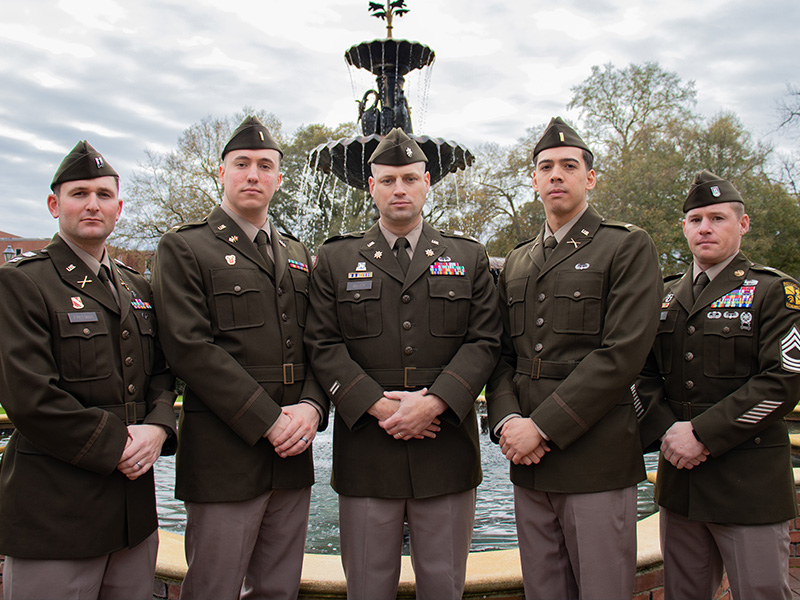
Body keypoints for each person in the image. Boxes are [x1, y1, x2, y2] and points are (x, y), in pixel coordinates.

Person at [304, 128, 502, 600]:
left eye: (409, 178)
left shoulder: (468, 256)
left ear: (427, 183)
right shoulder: (335, 258)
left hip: (446, 451)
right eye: (388, 179)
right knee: (367, 590)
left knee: (445, 587)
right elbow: (322, 343)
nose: (399, 189)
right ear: (371, 187)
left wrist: (435, 402)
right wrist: (375, 405)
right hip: (368, 453)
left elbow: (486, 340)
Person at [151, 115, 328, 600]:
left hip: (293, 452)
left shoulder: (295, 251)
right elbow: (190, 350)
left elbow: (320, 343)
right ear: (222, 172)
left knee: (278, 589)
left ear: (278, 177)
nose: (253, 174)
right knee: (214, 587)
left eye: (265, 165)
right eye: (242, 164)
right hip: (225, 455)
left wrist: (312, 408)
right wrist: (269, 421)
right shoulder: (184, 247)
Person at [486, 117, 662, 600]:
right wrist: (506, 422)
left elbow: (622, 355)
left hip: (594, 458)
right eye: (546, 167)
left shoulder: (625, 245)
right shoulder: (518, 260)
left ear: (590, 178)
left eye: (569, 165)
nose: (556, 175)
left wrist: (539, 428)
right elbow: (500, 355)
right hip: (527, 461)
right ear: (535, 180)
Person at [0, 141, 177, 599]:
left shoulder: (136, 285)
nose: (92, 204)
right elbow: (29, 397)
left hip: (133, 512)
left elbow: (161, 372)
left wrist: (158, 427)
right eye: (79, 193)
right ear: (54, 205)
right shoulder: (22, 283)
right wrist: (118, 442)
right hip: (56, 512)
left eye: (103, 194)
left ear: (118, 208)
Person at [636, 170, 800, 599]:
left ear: (742, 224)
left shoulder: (774, 292)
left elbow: (784, 380)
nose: (705, 227)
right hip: (681, 485)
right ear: (683, 228)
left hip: (748, 485)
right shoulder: (664, 295)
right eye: (695, 219)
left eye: (717, 218)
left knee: (761, 592)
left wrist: (702, 435)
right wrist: (666, 430)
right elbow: (640, 371)